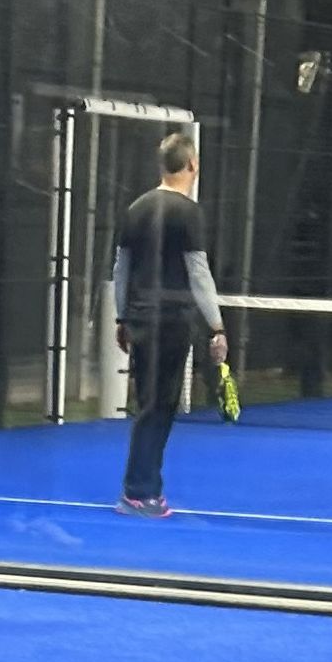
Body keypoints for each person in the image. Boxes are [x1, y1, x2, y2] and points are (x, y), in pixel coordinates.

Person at [112, 132, 228, 517]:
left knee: (152, 404)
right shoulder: (189, 212)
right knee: (158, 407)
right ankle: (138, 491)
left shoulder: (135, 208)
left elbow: (121, 270)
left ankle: (145, 488)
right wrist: (217, 327)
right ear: (192, 164)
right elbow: (199, 273)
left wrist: (123, 318)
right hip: (172, 323)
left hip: (140, 320)